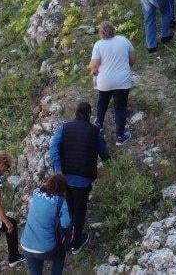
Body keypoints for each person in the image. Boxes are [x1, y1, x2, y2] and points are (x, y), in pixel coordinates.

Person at [48, 102, 109, 254]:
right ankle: (75, 243)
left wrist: (58, 170)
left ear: (75, 112)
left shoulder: (64, 127)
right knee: (79, 210)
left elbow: (53, 147)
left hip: (65, 178)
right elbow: (104, 153)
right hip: (84, 179)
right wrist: (111, 163)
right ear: (89, 115)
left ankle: (68, 235)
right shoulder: (95, 131)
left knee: (70, 207)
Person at [90, 22, 135, 146]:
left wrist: (94, 72)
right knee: (120, 108)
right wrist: (126, 68)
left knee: (102, 102)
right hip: (122, 80)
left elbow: (94, 66)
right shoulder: (124, 40)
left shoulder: (98, 45)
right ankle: (120, 137)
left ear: (101, 33)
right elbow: (133, 58)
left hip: (105, 81)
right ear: (114, 30)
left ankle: (98, 125)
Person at [21, 173, 73, 274]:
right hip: (46, 249)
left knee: (35, 271)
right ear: (63, 189)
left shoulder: (36, 192)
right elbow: (66, 224)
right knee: (61, 254)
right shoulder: (61, 202)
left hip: (26, 245)